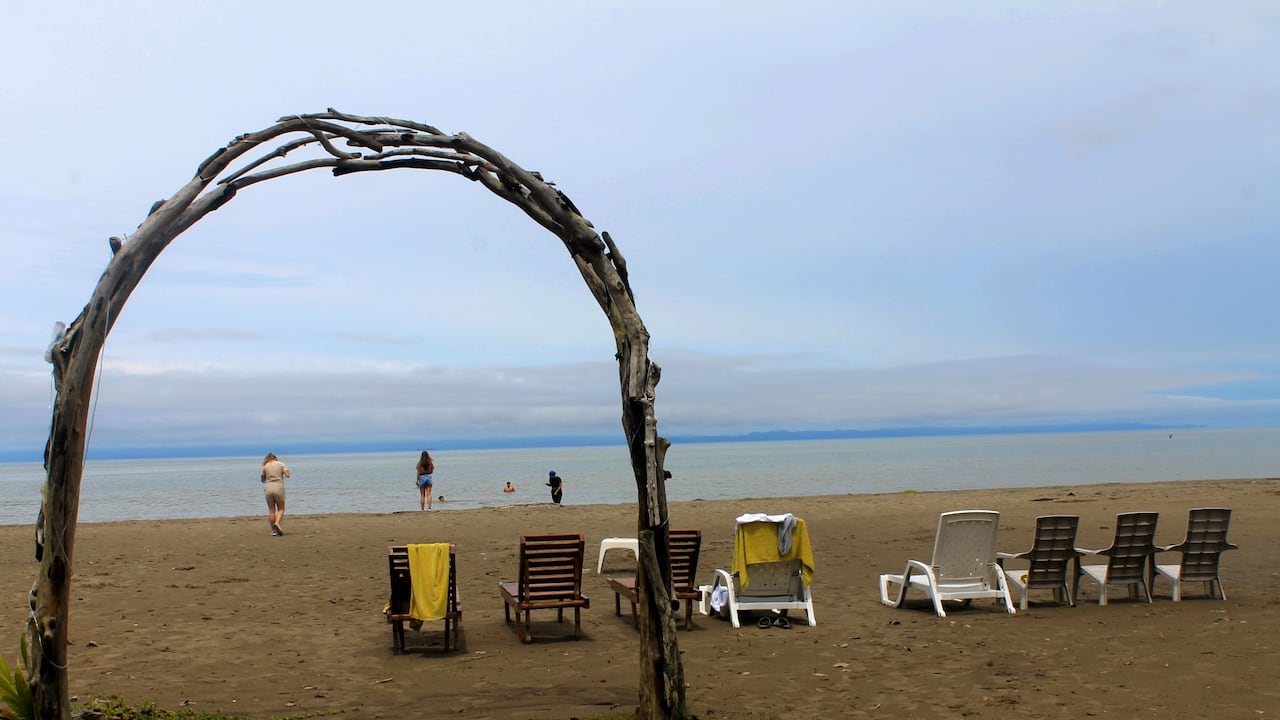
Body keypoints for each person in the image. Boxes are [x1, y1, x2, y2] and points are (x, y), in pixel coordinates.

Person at [260, 453, 291, 536]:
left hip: (268, 488)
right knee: (281, 509)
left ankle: (274, 531)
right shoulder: (281, 464)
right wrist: (284, 473)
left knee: (271, 510)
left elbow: (263, 479)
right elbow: (288, 475)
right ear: (275, 458)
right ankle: (277, 523)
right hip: (278, 488)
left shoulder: (265, 466)